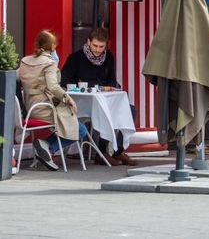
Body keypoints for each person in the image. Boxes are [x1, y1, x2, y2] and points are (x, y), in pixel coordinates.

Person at [60, 27, 138, 166]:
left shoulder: (108, 56)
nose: (97, 49)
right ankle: (101, 154)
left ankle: (117, 150)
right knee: (107, 112)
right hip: (84, 101)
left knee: (130, 110)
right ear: (88, 42)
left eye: (101, 47)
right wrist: (79, 87)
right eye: (95, 45)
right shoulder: (76, 58)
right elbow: (64, 79)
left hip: (103, 97)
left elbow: (112, 79)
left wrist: (107, 88)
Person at [18, 30, 88, 171]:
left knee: (74, 126)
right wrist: (69, 99)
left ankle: (45, 147)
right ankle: (48, 148)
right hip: (46, 109)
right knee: (80, 130)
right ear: (52, 46)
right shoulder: (49, 63)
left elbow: (16, 79)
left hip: (29, 108)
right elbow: (54, 87)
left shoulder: (25, 61)